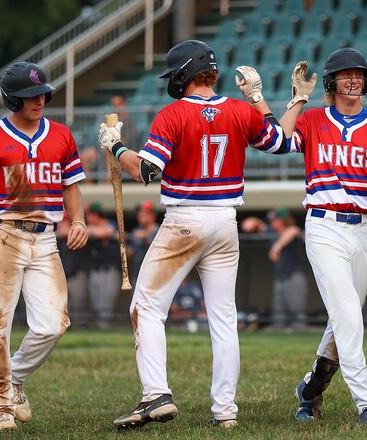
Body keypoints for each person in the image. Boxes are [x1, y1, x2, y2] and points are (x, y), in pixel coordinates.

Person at [99, 40, 289, 429]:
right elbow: (280, 140)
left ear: (185, 73)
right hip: (225, 221)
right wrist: (259, 99)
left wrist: (116, 147)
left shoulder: (172, 114)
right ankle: (225, 412)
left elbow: (148, 171)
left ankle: (156, 395)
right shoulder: (239, 110)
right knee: (223, 318)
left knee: (147, 308)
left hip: (185, 220)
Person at [268, 48, 367, 426]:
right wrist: (298, 100)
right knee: (349, 316)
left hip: (361, 231)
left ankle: (312, 389)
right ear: (332, 82)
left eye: (358, 74)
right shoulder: (315, 118)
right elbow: (278, 141)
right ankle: (366, 405)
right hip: (323, 225)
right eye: (344, 75)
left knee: (342, 320)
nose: (353, 80)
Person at [0, 62, 88, 432]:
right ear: (12, 99)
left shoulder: (60, 135)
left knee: (53, 324)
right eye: (30, 96)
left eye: (42, 93)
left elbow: (70, 184)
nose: (39, 100)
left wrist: (78, 220)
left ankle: (13, 379)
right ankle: (1, 409)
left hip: (45, 238)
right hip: (3, 237)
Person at [240, 208, 308, 330]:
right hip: (279, 278)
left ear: (283, 220)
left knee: (298, 317)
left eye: (275, 220)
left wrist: (277, 247)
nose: (272, 223)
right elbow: (252, 224)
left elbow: (293, 231)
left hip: (294, 277)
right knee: (278, 317)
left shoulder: (290, 231)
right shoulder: (273, 232)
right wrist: (253, 223)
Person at [86, 201, 121, 328]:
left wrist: (96, 231)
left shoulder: (111, 224)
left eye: (89, 215)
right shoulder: (91, 228)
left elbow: (107, 232)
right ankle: (101, 328)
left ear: (96, 215)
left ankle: (105, 328)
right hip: (96, 271)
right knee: (97, 307)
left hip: (109, 271)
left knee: (106, 308)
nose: (88, 218)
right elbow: (91, 232)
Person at [127, 200, 159, 288]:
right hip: (137, 274)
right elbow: (130, 254)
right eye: (140, 213)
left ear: (152, 216)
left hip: (154, 275)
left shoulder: (160, 231)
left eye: (144, 213)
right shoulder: (136, 231)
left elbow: (158, 251)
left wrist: (145, 237)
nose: (140, 215)